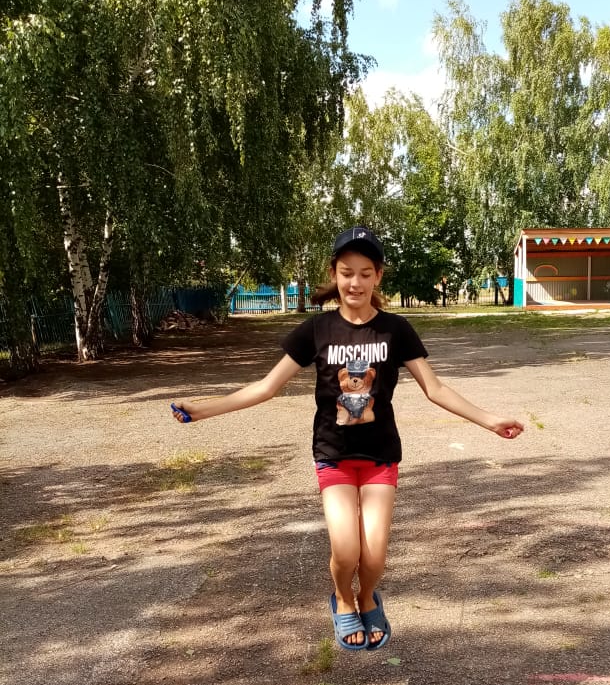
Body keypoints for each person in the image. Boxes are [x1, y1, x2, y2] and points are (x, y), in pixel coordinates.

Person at [172, 227, 524, 651]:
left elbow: (436, 389)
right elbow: (266, 387)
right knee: (345, 551)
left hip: (380, 457)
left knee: (373, 556)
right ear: (334, 274)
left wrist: (489, 420)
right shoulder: (316, 330)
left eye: (364, 273)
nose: (354, 283)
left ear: (378, 277)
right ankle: (342, 598)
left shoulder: (396, 330)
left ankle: (366, 596)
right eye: (346, 273)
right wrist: (202, 409)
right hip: (334, 456)